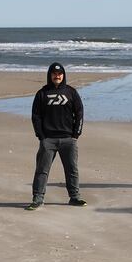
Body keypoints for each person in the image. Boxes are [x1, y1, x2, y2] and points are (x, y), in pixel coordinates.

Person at [26, 62, 86, 210]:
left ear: (63, 75)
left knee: (72, 169)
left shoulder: (71, 92)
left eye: (59, 74)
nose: (57, 76)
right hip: (48, 140)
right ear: (50, 75)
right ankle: (38, 198)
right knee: (42, 170)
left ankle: (74, 197)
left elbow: (79, 113)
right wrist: (41, 136)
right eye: (54, 74)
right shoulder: (42, 93)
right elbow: (36, 116)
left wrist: (76, 134)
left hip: (68, 140)